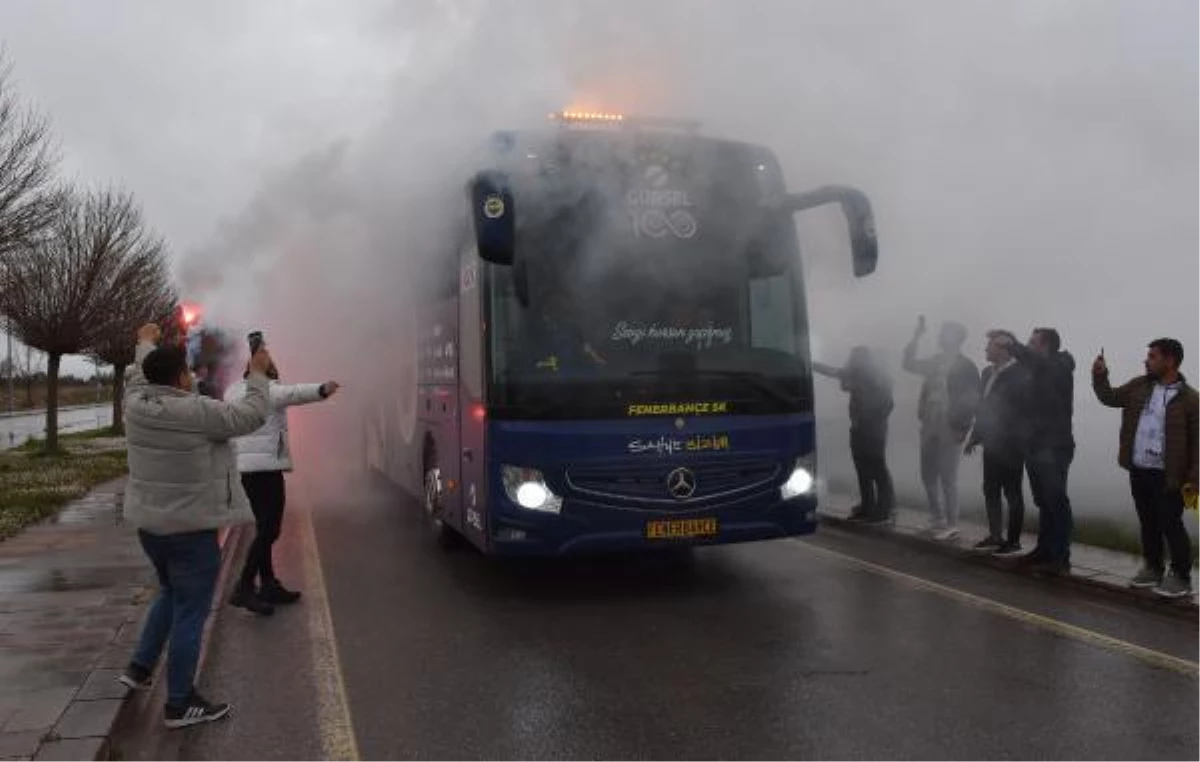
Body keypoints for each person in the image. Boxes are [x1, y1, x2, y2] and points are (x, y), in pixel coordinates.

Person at [117, 323, 273, 728]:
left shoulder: (133, 403)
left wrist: (145, 342)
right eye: (186, 371)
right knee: (190, 611)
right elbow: (251, 414)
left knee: (169, 593)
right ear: (181, 377)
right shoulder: (198, 412)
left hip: (151, 529)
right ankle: (180, 702)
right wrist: (257, 373)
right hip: (190, 532)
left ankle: (139, 667)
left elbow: (138, 373)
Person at [224, 356, 340, 614]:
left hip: (246, 469)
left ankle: (267, 584)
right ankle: (244, 585)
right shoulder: (267, 390)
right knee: (270, 529)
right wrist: (322, 389)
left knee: (263, 528)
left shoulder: (232, 391)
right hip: (266, 470)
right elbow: (293, 393)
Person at [1093, 338, 1200, 598]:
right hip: (1139, 468)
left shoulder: (1191, 400)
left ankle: (1182, 576)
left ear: (1170, 361)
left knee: (1170, 523)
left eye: (1152, 356)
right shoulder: (1139, 386)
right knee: (1147, 521)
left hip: (1169, 474)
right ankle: (1153, 568)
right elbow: (1109, 397)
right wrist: (1100, 376)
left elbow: (1198, 443)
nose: (1146, 360)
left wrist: (1195, 477)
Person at [903, 316, 980, 541]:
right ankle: (936, 517)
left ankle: (952, 522)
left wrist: (964, 428)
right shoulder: (935, 361)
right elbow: (908, 364)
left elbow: (973, 398)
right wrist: (916, 337)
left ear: (956, 338)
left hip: (951, 423)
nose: (940, 336)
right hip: (929, 420)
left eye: (945, 332)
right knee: (927, 472)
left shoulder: (966, 366)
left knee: (948, 475)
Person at [1008, 328, 1076, 574]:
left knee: (1056, 501)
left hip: (1054, 445)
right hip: (1035, 444)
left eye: (1032, 342)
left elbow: (1036, 362)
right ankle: (1044, 550)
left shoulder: (1058, 366)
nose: (1028, 346)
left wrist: (1012, 344)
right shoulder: (1037, 371)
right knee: (1044, 501)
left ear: (1044, 345)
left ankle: (1060, 557)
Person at [964, 331, 1030, 556]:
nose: (985, 350)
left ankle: (1013, 541)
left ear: (1003, 348)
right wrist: (975, 436)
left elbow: (1019, 410)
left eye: (990, 346)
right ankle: (995, 536)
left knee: (1012, 492)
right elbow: (983, 409)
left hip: (1011, 443)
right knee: (990, 489)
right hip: (991, 441)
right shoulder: (986, 373)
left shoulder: (1019, 373)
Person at [814, 347, 895, 524]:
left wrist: (871, 419)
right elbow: (832, 372)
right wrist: (811, 364)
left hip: (873, 430)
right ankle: (867, 505)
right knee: (862, 468)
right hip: (858, 428)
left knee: (877, 468)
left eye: (857, 358)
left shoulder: (877, 378)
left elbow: (888, 404)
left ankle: (884, 509)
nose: (853, 361)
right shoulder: (854, 374)